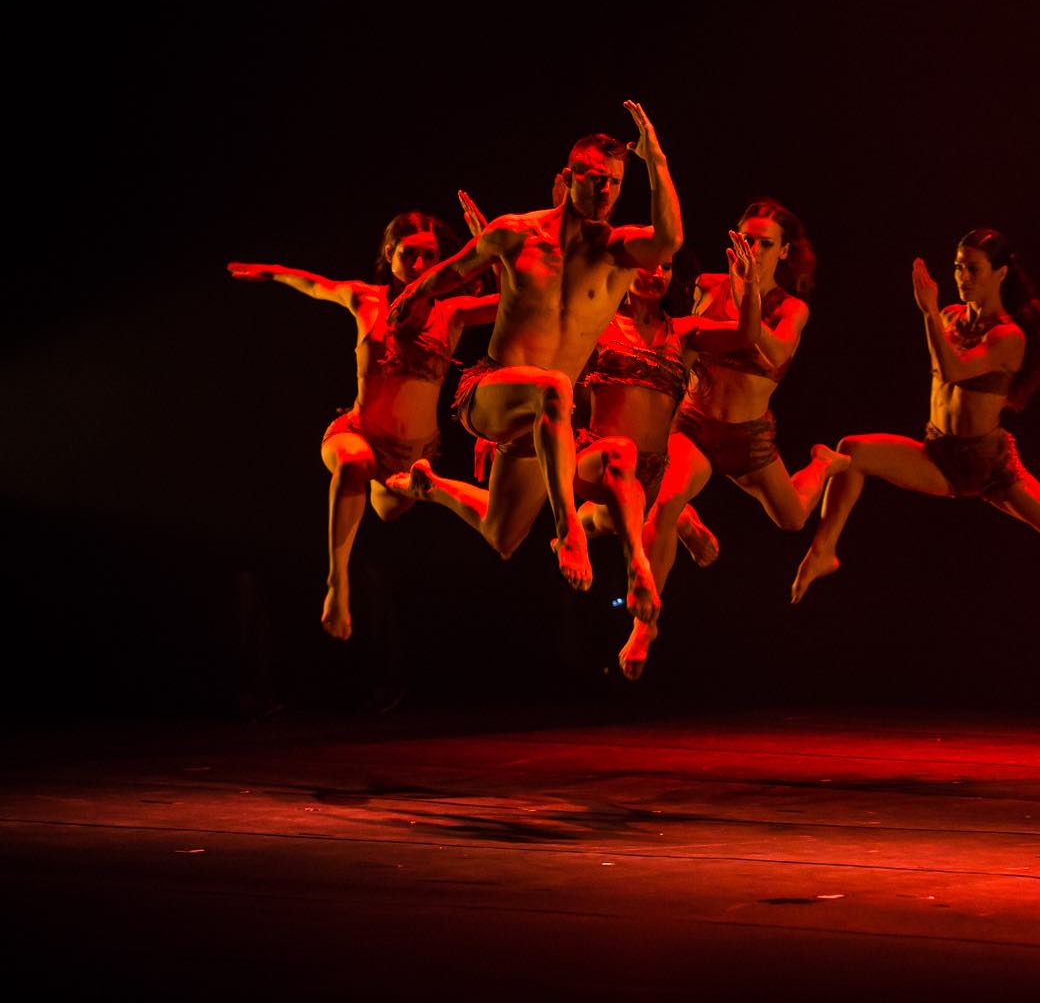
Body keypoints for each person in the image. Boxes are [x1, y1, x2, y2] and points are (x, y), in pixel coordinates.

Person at [391, 234, 761, 679]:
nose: (656, 273)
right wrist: (508, 420)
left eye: (665, 268)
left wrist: (749, 286)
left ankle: (438, 489)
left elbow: (745, 335)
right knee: (620, 467)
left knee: (507, 532)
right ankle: (640, 582)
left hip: (646, 476)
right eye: (648, 265)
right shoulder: (598, 326)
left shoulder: (682, 333)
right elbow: (533, 326)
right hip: (595, 458)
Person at [386, 102, 681, 617]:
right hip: (492, 392)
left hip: (550, 421)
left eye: (614, 181)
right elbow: (455, 270)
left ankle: (433, 488)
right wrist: (413, 296)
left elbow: (670, 239)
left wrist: (655, 161)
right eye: (594, 178)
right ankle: (569, 527)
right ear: (568, 179)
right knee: (554, 386)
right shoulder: (516, 232)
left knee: (504, 535)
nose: (605, 190)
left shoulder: (618, 251)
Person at [790, 228, 1040, 603]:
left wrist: (928, 313)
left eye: (973, 268)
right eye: (958, 267)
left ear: (999, 274)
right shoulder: (950, 317)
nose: (962, 277)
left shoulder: (1006, 336)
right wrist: (935, 314)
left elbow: (954, 370)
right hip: (938, 452)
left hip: (985, 464)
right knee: (851, 452)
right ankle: (823, 551)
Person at [227, 212, 497, 639]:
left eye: (430, 256)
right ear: (390, 254)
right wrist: (275, 273)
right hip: (358, 431)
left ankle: (403, 485)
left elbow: (523, 301)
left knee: (388, 511)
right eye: (410, 254)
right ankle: (338, 581)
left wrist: (495, 249)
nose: (420, 265)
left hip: (413, 455)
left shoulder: (453, 312)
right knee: (353, 461)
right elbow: (317, 285)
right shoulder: (365, 299)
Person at [643, 199, 847, 597]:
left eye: (766, 244)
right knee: (663, 500)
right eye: (746, 239)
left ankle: (821, 464)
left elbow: (775, 352)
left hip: (747, 438)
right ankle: (645, 622)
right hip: (695, 425)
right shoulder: (706, 286)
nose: (753, 250)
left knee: (791, 520)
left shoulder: (791, 309)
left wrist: (747, 294)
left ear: (784, 250)